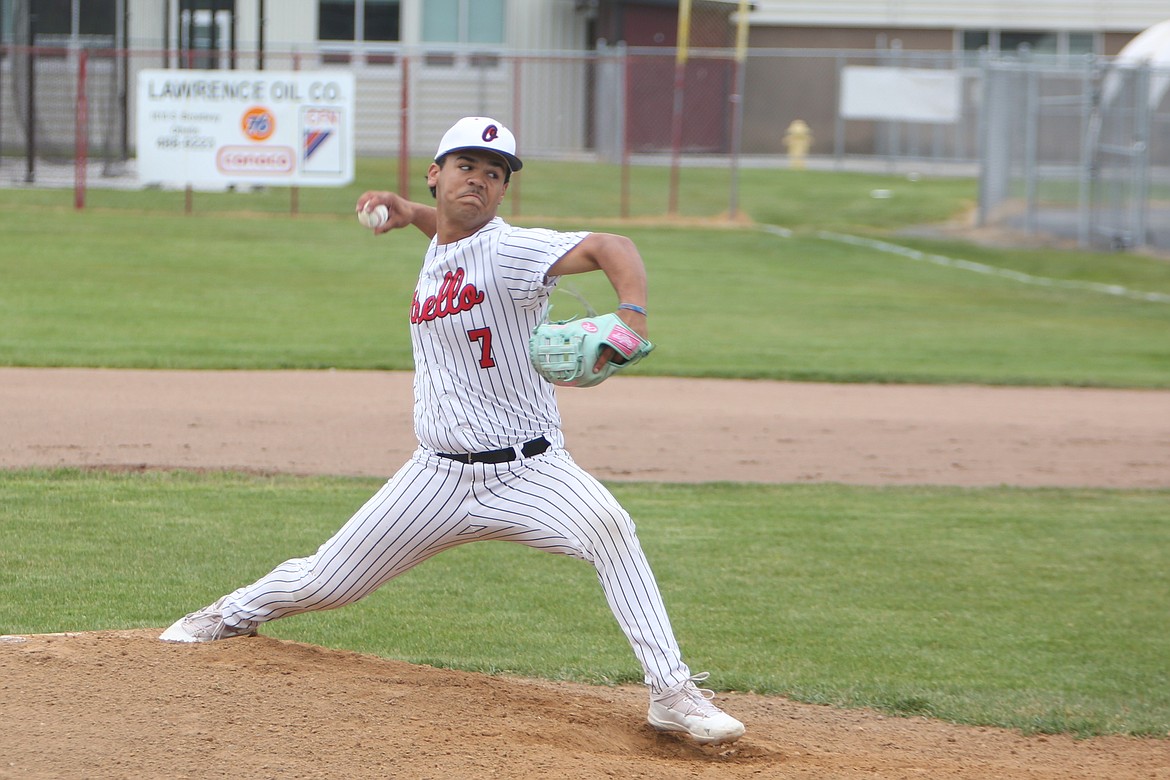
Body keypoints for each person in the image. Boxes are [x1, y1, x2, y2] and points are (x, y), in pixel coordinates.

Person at [160, 116, 745, 746]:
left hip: (531, 471)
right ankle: (231, 613)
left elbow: (613, 245)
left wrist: (631, 315)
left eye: (494, 174)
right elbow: (439, 226)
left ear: (501, 193)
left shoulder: (509, 250)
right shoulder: (442, 239)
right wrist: (402, 208)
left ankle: (672, 691)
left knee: (611, 528)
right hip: (434, 477)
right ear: (437, 174)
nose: (480, 181)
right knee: (323, 581)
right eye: (467, 166)